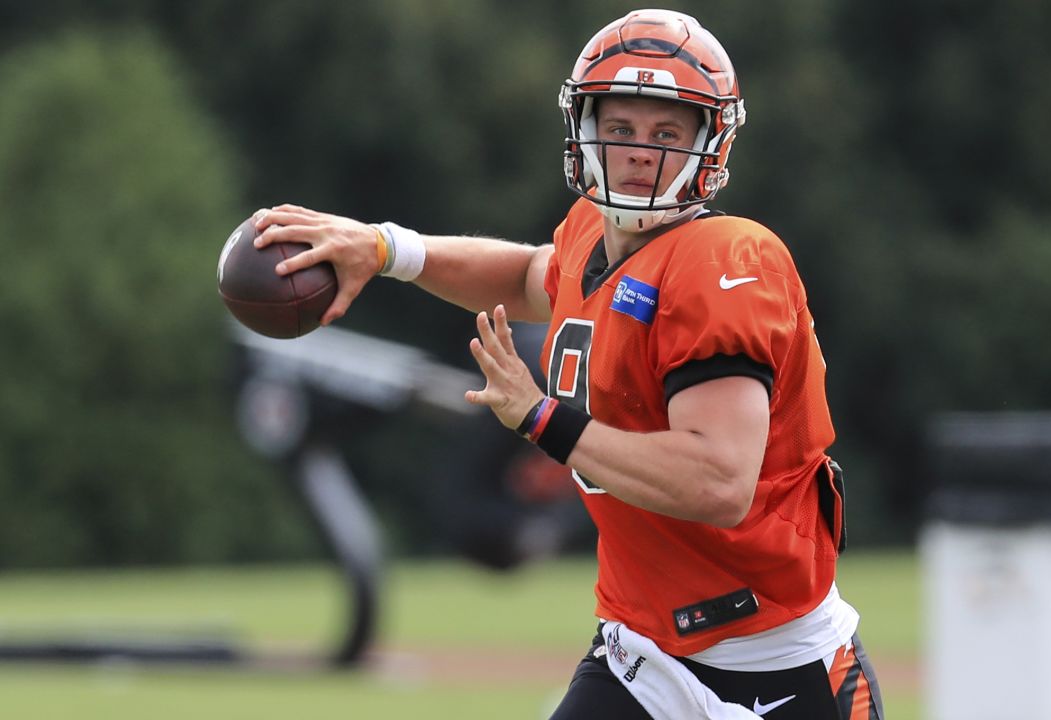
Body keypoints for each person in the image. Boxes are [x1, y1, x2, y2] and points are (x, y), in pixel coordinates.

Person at [253, 9, 883, 719]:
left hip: (775, 667)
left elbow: (718, 482)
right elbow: (528, 276)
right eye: (620, 130)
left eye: (667, 133)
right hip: (640, 653)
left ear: (711, 144)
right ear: (586, 131)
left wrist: (544, 419)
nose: (640, 153)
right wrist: (385, 249)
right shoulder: (592, 233)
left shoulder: (727, 261)